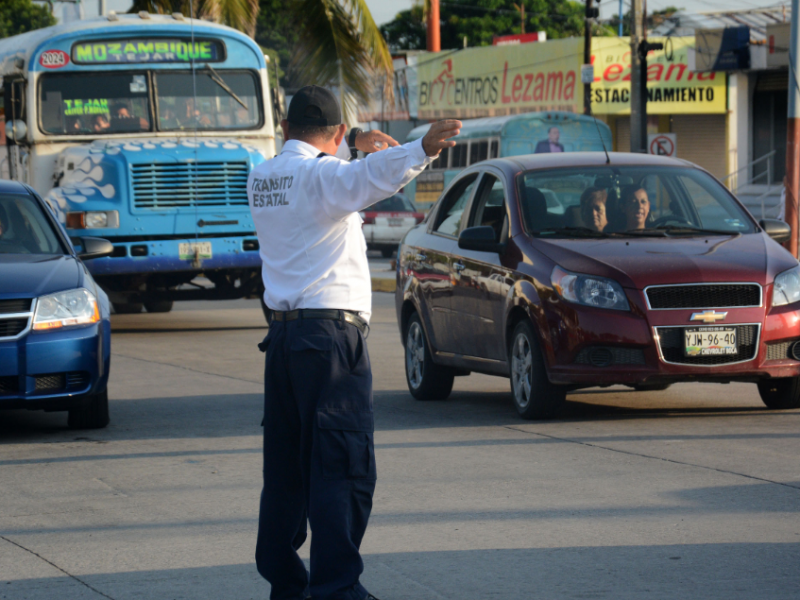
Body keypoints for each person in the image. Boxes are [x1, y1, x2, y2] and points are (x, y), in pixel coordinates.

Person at [248, 85, 459, 600]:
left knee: (287, 470)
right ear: (338, 133)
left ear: (285, 128)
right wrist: (422, 149)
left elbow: (323, 167)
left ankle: (286, 585)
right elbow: (364, 177)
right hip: (330, 341)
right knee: (342, 466)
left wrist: (353, 139)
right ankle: (338, 590)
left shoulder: (263, 175)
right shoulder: (326, 177)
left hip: (283, 341)